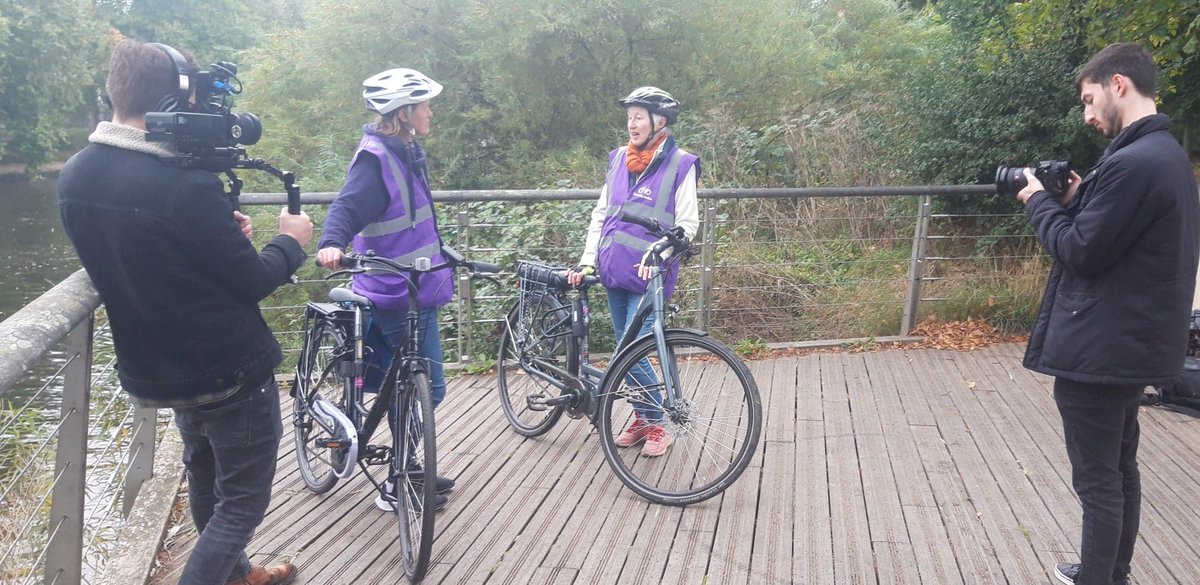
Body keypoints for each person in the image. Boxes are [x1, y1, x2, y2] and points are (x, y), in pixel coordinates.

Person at [58, 39, 312, 585]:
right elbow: (251, 280)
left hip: (157, 371)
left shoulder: (77, 174)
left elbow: (148, 253)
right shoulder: (182, 184)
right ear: (177, 97)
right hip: (228, 369)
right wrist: (290, 242)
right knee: (241, 502)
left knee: (204, 472)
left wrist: (219, 233)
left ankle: (240, 575)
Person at [1016, 43, 1199, 585]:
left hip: (1102, 350)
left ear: (1118, 84)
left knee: (1099, 480)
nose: (1089, 116)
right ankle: (1108, 571)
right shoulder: (1163, 156)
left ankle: (1099, 579)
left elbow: (1079, 252)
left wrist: (1037, 202)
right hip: (1129, 343)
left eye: (1090, 101)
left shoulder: (1136, 163)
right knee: (1119, 471)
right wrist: (1077, 195)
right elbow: (1117, 238)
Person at [315, 68, 456, 512]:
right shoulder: (376, 159)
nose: (431, 112)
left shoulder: (407, 152)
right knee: (419, 386)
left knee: (424, 387)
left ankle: (409, 464)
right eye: (425, 105)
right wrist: (331, 243)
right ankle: (400, 478)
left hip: (419, 285)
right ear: (405, 112)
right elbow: (347, 204)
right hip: (392, 289)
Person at [566, 86, 700, 457]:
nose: (631, 124)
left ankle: (658, 422)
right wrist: (587, 259)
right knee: (628, 350)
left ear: (661, 121)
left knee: (632, 351)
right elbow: (601, 214)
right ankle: (644, 417)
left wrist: (661, 251)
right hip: (613, 269)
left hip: (650, 274)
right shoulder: (617, 160)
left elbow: (688, 224)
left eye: (638, 116)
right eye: (629, 117)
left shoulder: (681, 164)